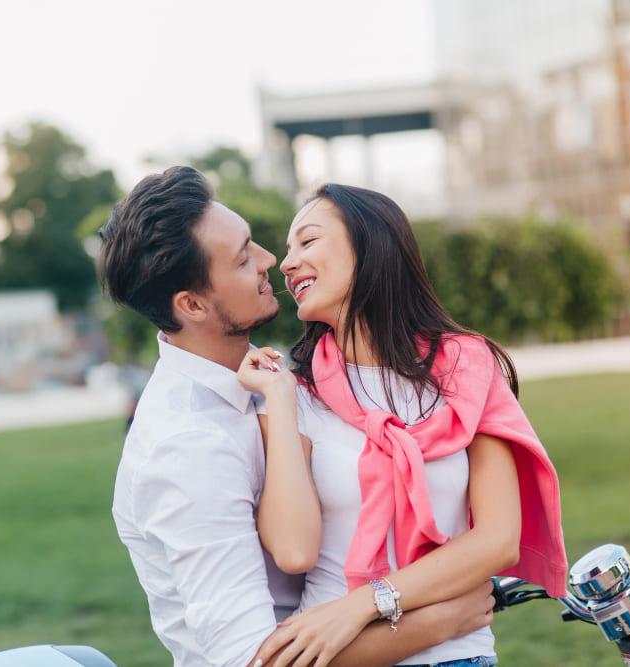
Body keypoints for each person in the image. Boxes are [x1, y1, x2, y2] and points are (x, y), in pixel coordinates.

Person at [99, 167, 496, 667]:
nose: (272, 261)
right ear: (193, 304)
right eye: (244, 258)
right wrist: (434, 625)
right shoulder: (188, 444)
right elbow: (252, 660)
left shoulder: (281, 385)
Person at [238, 184, 569, 667]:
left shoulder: (466, 369)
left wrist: (361, 605)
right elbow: (292, 549)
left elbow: (497, 539)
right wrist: (281, 400)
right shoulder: (296, 393)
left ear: (372, 244)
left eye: (306, 242)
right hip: (334, 654)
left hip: (453, 657)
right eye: (289, 251)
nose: (286, 264)